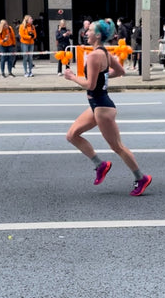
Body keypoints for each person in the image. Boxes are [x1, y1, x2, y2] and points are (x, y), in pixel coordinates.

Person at [64, 19, 152, 196]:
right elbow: (120, 71)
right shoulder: (103, 52)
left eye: (88, 31)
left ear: (97, 35)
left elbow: (90, 84)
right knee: (72, 135)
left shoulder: (95, 55)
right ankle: (100, 165)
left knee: (117, 146)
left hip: (102, 108)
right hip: (97, 105)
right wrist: (103, 77)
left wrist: (72, 77)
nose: (85, 33)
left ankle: (141, 177)